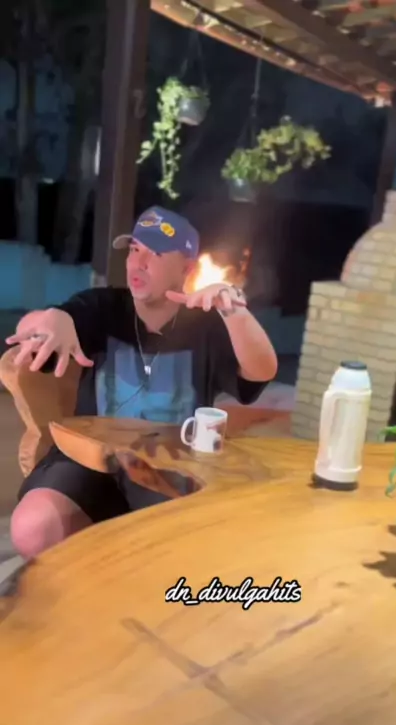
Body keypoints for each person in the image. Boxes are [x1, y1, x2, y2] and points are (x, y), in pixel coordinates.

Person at [7, 206, 278, 558]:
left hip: (171, 469)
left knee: (195, 550)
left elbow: (261, 371)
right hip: (88, 458)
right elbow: (49, 322)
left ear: (187, 268)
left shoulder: (207, 326)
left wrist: (233, 311)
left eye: (155, 253)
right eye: (134, 250)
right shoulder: (103, 307)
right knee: (33, 528)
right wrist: (50, 319)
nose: (138, 263)